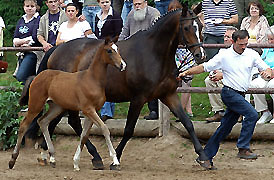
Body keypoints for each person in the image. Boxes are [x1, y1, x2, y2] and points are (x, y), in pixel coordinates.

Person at [178, 30, 272, 169]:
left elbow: (266, 68)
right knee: (252, 114)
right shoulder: (224, 55)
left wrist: (267, 72)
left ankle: (205, 157)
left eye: (246, 44)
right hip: (229, 93)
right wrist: (186, 72)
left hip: (239, 94)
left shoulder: (251, 54)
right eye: (241, 44)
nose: (244, 47)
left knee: (225, 128)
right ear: (233, 42)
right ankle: (243, 148)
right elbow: (204, 67)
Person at [119, 0, 160, 120]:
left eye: (139, 4)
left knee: (150, 80)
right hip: (132, 54)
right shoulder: (131, 14)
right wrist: (119, 47)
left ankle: (154, 110)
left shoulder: (154, 14)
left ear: (145, 3)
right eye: (135, 4)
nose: (137, 7)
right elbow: (124, 32)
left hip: (150, 53)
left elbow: (157, 36)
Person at [94, 0, 123, 121]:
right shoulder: (97, 15)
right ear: (99, 3)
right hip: (100, 47)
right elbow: (96, 32)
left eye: (107, 1)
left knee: (107, 78)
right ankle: (105, 111)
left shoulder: (115, 16)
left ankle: (107, 112)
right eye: (102, 2)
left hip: (111, 48)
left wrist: (111, 45)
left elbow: (118, 32)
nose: (105, 4)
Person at [204, 26, 238, 123]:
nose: (225, 39)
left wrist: (223, 74)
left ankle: (234, 112)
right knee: (209, 80)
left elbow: (238, 69)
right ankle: (218, 111)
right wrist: (213, 73)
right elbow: (214, 64)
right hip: (222, 75)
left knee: (221, 82)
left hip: (235, 77)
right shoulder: (222, 50)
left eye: (228, 37)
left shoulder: (239, 50)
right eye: (225, 36)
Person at [249, 26, 274, 124]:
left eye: (272, 39)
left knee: (272, 86)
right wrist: (262, 71)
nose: (270, 42)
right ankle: (265, 112)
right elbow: (260, 63)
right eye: (269, 39)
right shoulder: (267, 49)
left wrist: (272, 72)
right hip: (265, 75)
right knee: (255, 85)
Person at [13, 0, 41, 84]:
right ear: (24, 7)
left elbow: (34, 37)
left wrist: (21, 42)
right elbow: (15, 37)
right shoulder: (21, 20)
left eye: (32, 6)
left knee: (21, 76)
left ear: (36, 7)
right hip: (21, 52)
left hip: (33, 52)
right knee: (28, 77)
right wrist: (22, 42)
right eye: (27, 6)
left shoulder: (38, 19)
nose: (29, 8)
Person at [36, 0, 68, 73]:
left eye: (55, 1)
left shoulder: (66, 16)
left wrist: (81, 18)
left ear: (58, 2)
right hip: (49, 49)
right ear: (47, 3)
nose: (53, 4)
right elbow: (39, 34)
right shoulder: (43, 18)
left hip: (63, 49)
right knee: (42, 72)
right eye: (50, 2)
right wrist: (44, 43)